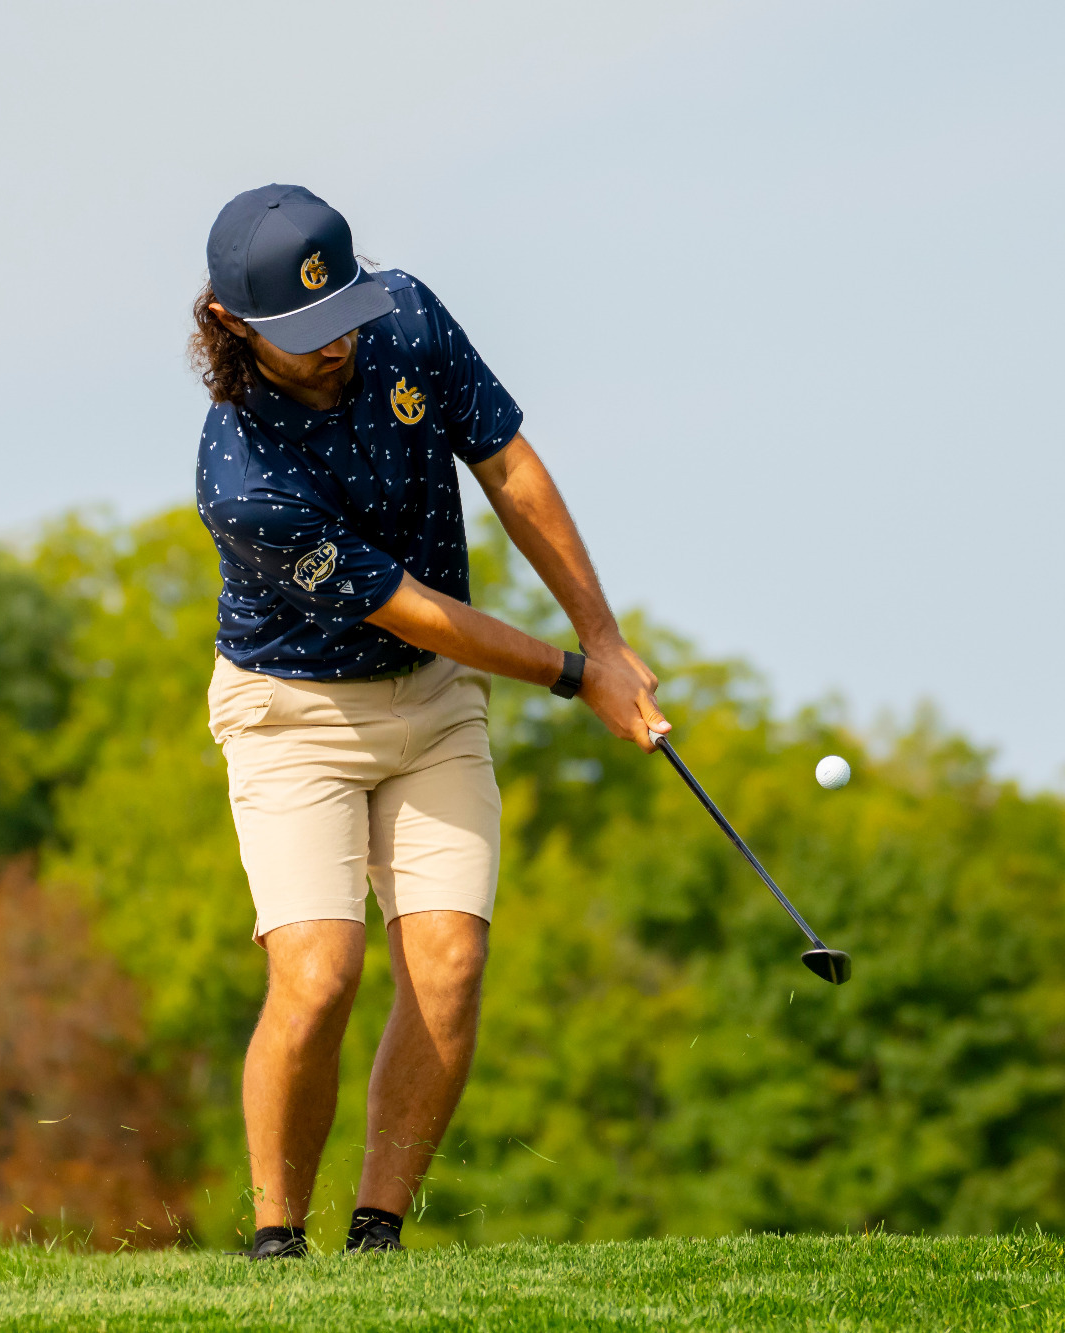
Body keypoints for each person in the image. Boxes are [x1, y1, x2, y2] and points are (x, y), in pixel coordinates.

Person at [190, 185, 670, 1258]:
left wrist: (605, 637)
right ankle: (277, 1246)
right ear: (229, 326)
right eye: (303, 337)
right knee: (317, 977)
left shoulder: (405, 317)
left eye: (341, 315)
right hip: (294, 715)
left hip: (432, 705)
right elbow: (410, 605)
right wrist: (568, 675)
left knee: (448, 968)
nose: (335, 348)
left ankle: (376, 1242)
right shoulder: (242, 477)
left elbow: (506, 464)